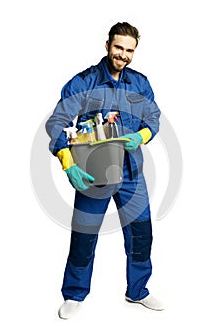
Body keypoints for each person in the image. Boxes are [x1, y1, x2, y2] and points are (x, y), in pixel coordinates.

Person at [45, 22, 164, 319]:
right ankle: (74, 294)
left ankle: (137, 291)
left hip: (132, 175)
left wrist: (142, 137)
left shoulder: (140, 84)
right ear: (107, 45)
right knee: (85, 235)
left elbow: (153, 119)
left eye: (129, 50)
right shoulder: (83, 82)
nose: (122, 55)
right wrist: (67, 162)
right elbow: (57, 122)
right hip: (93, 174)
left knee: (141, 234)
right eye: (118, 47)